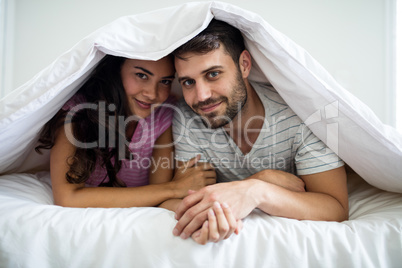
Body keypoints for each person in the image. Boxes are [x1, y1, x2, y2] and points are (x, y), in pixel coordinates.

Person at [171, 19, 349, 244]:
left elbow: (336, 208)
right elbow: (180, 201)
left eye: (213, 74)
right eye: (188, 82)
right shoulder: (187, 117)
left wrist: (256, 191)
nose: (202, 95)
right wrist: (258, 181)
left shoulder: (299, 116)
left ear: (244, 64)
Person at [35, 54, 220, 211]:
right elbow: (68, 198)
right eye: (141, 75)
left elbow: (158, 194)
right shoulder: (78, 112)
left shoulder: (163, 114)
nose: (152, 93)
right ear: (116, 72)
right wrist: (174, 188)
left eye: (164, 81)